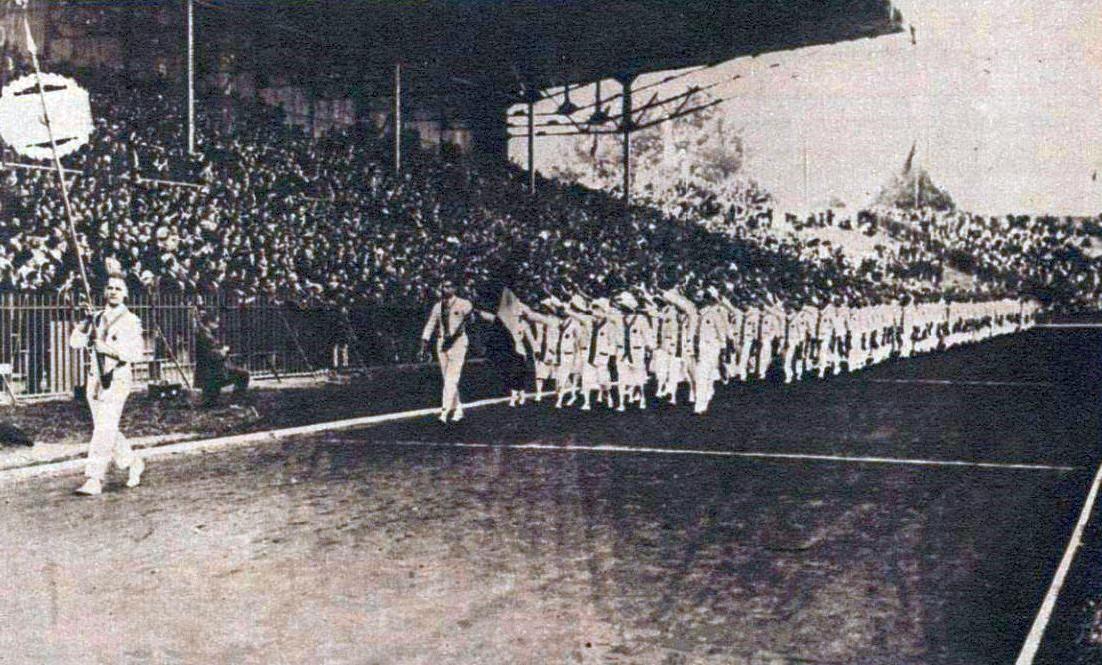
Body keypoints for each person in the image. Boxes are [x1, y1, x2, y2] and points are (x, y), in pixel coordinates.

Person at [68, 270, 146, 496]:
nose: (113, 292)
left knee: (104, 428)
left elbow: (135, 353)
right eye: (110, 287)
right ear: (104, 291)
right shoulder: (96, 317)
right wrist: (84, 323)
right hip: (95, 380)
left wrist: (109, 350)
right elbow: (75, 343)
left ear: (126, 294)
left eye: (118, 288)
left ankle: (94, 478)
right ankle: (132, 462)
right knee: (106, 428)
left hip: (117, 379)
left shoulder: (131, 320)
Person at [419, 281, 492, 423]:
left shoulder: (464, 304)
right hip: (441, 343)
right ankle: (458, 409)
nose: (444, 289)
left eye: (448, 286)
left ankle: (444, 412)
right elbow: (430, 326)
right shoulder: (437, 306)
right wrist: (424, 345)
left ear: (454, 288)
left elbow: (470, 321)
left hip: (458, 343)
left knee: (452, 377)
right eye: (443, 286)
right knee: (448, 378)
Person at [194, 311, 250, 407]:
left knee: (210, 401)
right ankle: (235, 402)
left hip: (210, 370)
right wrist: (223, 350)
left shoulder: (204, 333)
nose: (217, 325)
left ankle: (210, 400)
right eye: (216, 322)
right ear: (209, 322)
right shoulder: (205, 335)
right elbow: (212, 354)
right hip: (215, 371)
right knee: (244, 374)